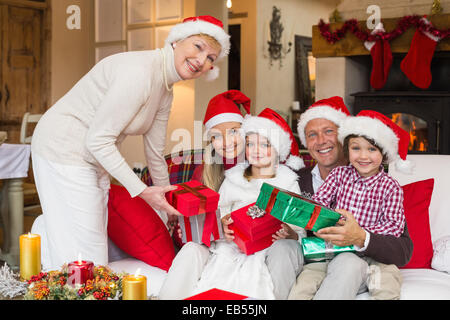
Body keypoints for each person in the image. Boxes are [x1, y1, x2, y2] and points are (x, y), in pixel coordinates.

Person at [30, 15, 231, 271]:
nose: (202, 60)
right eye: (198, 47)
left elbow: (155, 154)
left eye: (211, 58)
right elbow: (98, 139)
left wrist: (169, 203)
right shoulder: (140, 72)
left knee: (92, 247)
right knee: (85, 254)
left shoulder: (165, 89)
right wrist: (143, 190)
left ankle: (57, 261)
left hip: (92, 158)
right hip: (63, 148)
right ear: (177, 41)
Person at [159, 108, 305, 300]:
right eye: (251, 144)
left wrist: (290, 233)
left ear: (278, 149)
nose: (256, 150)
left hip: (265, 251)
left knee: (254, 277)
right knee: (216, 272)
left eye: (265, 145)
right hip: (230, 248)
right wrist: (221, 228)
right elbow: (217, 217)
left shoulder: (288, 183)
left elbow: (300, 233)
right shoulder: (233, 179)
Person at [289, 97, 413, 300]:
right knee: (304, 284)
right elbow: (318, 203)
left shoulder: (390, 186)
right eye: (356, 148)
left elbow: (396, 232)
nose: (363, 156)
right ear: (349, 148)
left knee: (387, 282)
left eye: (371, 149)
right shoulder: (332, 176)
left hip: (369, 257)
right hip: (330, 251)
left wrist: (360, 234)